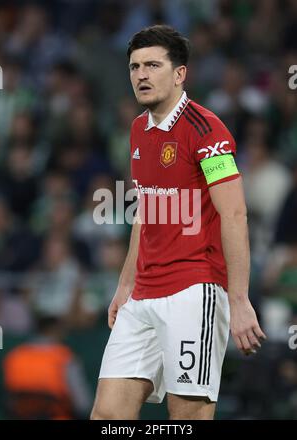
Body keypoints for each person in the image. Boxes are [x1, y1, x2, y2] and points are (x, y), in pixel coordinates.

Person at [90, 24, 266, 420]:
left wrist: (238, 300)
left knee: (186, 417)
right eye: (135, 66)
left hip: (194, 290)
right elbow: (147, 212)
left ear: (180, 73)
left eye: (153, 65)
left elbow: (234, 213)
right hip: (143, 297)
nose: (141, 75)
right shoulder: (138, 130)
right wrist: (125, 284)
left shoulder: (207, 130)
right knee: (107, 416)